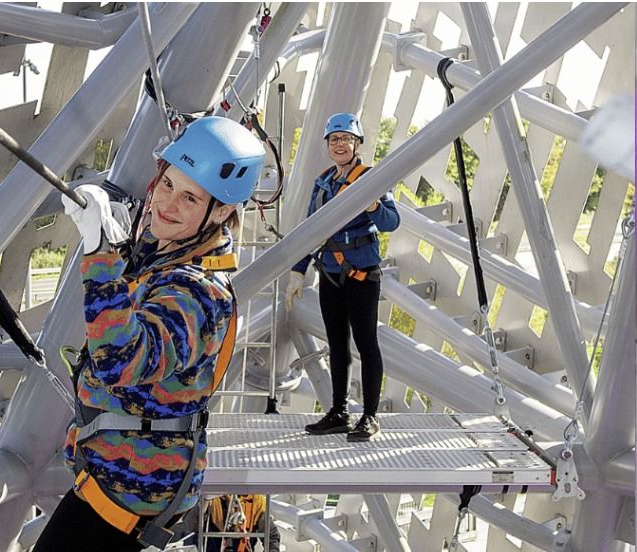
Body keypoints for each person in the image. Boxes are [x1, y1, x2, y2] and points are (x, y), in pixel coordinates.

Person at [33, 116, 266, 552]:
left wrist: (100, 253)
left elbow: (121, 361)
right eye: (167, 185)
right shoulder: (168, 253)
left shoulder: (200, 293)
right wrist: (121, 245)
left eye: (190, 198)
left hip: (126, 496)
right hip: (114, 483)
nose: (168, 204)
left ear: (221, 212)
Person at [285, 112, 400, 442]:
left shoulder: (369, 178)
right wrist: (297, 271)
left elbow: (392, 221)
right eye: (334, 139)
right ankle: (339, 411)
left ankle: (370, 416)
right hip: (331, 273)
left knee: (366, 343)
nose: (340, 144)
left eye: (346, 139)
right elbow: (310, 230)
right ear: (327, 145)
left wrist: (374, 205)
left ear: (357, 144)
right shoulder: (323, 183)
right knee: (336, 343)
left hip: (362, 274)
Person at [182, 494, 281, 552]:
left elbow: (271, 537)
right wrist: (205, 500)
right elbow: (189, 526)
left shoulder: (257, 501)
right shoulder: (210, 497)